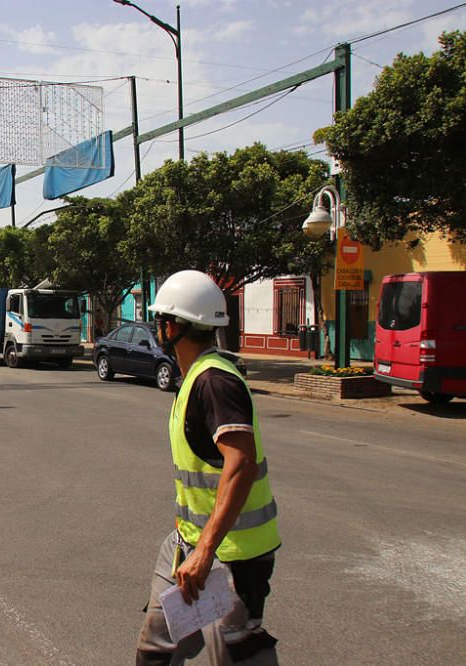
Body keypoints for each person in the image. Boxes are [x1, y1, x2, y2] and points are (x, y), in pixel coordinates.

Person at [136, 270, 280, 666]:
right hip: (187, 541)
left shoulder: (214, 381)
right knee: (156, 646)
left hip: (232, 553)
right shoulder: (196, 376)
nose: (158, 327)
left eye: (161, 319)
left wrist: (206, 550)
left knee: (236, 652)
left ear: (173, 327)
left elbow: (241, 463)